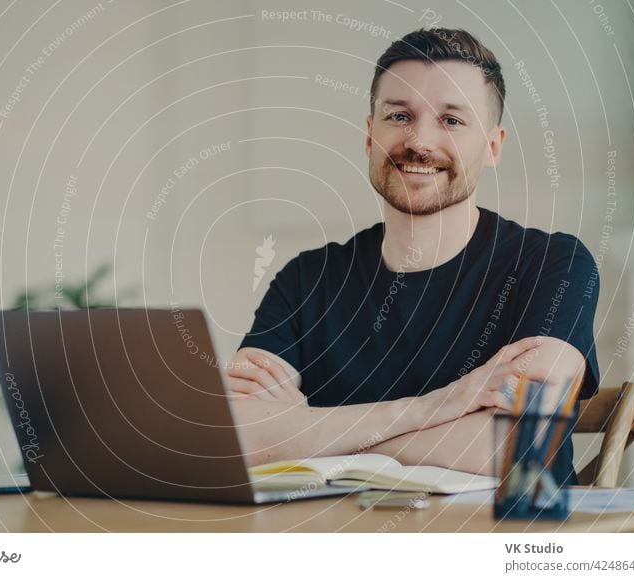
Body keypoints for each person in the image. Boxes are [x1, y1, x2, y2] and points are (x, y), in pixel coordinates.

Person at [227, 28, 599, 484]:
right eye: (399, 115)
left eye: (452, 120)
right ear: (370, 136)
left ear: (493, 146)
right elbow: (236, 437)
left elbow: (517, 447)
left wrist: (310, 431)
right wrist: (435, 407)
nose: (419, 141)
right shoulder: (307, 278)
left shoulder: (552, 266)